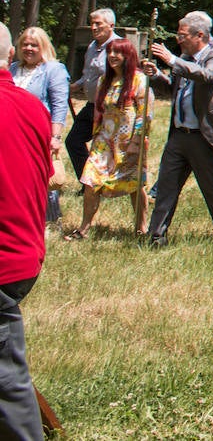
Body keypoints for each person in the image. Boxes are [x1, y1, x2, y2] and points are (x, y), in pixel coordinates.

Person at [142, 11, 213, 245]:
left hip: (203, 137)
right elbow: (174, 89)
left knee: (212, 189)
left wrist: (172, 61)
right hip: (179, 135)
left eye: (182, 35)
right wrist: (158, 74)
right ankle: (156, 236)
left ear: (199, 35)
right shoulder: (184, 56)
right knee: (166, 187)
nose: (178, 39)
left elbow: (206, 76)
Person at [0, 25, 52, 441]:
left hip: (4, 263)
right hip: (26, 257)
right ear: (12, 53)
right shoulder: (32, 106)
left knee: (7, 378)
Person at [66, 39, 151, 239]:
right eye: (110, 52)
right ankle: (84, 229)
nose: (112, 56)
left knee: (134, 186)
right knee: (90, 180)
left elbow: (144, 114)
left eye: (118, 53)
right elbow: (98, 111)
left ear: (128, 56)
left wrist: (136, 142)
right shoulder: (105, 80)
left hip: (128, 142)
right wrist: (96, 135)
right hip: (104, 142)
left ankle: (142, 229)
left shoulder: (139, 80)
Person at [65, 8, 123, 187]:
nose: (94, 27)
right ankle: (89, 184)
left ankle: (111, 184)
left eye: (98, 23)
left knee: (106, 148)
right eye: (92, 23)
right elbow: (88, 75)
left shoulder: (119, 47)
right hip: (91, 105)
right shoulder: (92, 46)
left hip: (109, 109)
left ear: (111, 26)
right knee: (73, 141)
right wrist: (76, 85)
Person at [9, 27, 69, 150]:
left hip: (36, 132)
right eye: (25, 44)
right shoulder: (13, 68)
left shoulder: (54, 69)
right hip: (11, 131)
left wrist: (56, 136)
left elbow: (59, 105)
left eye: (34, 45)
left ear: (43, 47)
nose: (29, 48)